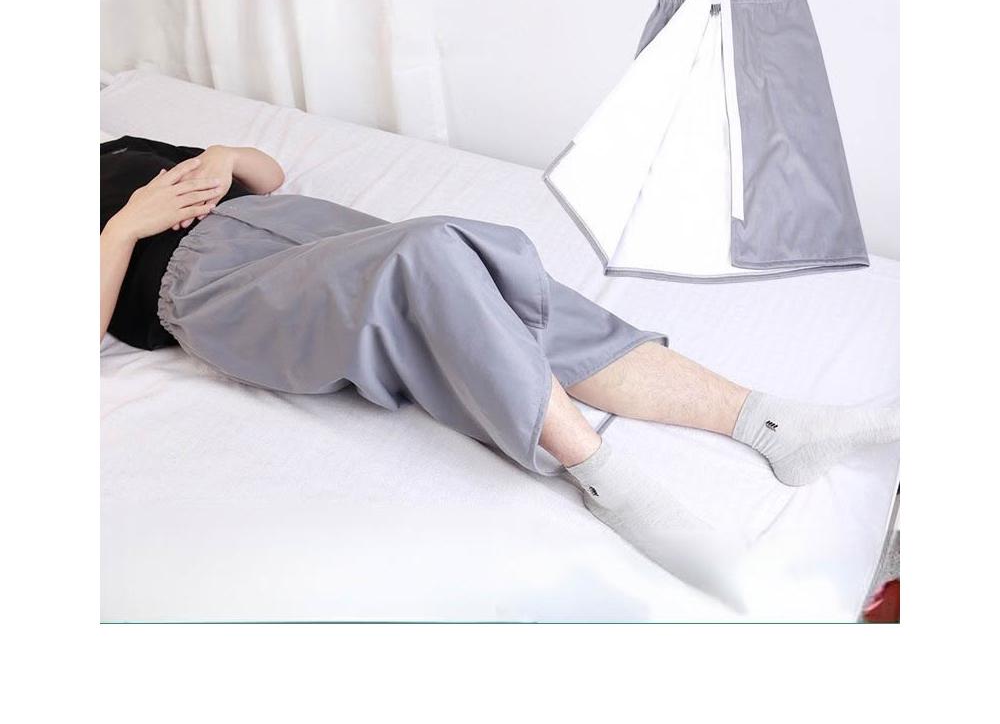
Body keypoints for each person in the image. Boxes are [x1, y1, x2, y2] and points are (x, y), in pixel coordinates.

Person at [101, 134, 899, 606]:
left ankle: (770, 422)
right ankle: (603, 476)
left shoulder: (118, 145)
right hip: (208, 290)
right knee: (431, 252)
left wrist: (224, 156)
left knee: (477, 271)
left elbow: (267, 176)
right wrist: (129, 224)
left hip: (286, 221)